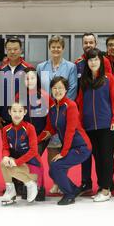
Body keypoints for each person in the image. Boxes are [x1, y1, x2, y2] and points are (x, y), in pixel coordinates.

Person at [38, 76, 92, 205]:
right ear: (51, 90)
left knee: (56, 166)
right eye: (55, 88)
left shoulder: (71, 105)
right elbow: (50, 129)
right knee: (53, 169)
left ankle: (69, 195)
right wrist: (36, 141)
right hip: (70, 146)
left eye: (61, 88)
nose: (57, 91)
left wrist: (63, 152)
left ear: (66, 90)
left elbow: (70, 131)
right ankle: (73, 189)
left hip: (81, 147)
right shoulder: (52, 108)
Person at [76, 48, 114, 202]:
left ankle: (106, 189)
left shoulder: (109, 78)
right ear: (87, 63)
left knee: (106, 157)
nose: (93, 62)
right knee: (96, 156)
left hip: (105, 124)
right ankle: (102, 186)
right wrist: (79, 122)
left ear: (101, 61)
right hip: (89, 126)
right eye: (90, 60)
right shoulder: (85, 81)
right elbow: (80, 103)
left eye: (96, 59)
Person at [36, 35, 77, 194]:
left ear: (63, 48)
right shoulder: (41, 67)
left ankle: (62, 181)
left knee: (61, 146)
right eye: (53, 46)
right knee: (52, 148)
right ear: (49, 48)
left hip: (63, 112)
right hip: (45, 112)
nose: (56, 49)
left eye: (58, 47)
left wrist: (61, 106)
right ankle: (55, 182)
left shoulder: (70, 67)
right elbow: (38, 89)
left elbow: (72, 88)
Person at [15, 67, 54, 201]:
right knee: (27, 160)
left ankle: (39, 188)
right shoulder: (19, 96)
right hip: (25, 137)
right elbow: (17, 117)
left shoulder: (43, 95)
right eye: (27, 78)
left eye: (32, 78)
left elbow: (51, 118)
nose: (30, 80)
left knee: (35, 158)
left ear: (36, 80)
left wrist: (44, 134)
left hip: (41, 136)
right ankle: (27, 186)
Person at [0, 102, 43, 205]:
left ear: (25, 112)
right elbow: (5, 148)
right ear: (10, 112)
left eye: (20, 111)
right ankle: (10, 190)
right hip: (20, 166)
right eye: (14, 111)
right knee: (3, 162)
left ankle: (31, 184)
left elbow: (33, 151)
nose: (17, 114)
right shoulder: (6, 129)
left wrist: (16, 162)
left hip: (33, 166)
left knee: (11, 167)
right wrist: (5, 156)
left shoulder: (30, 128)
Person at [0, 37, 32, 127]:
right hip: (5, 117)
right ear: (6, 51)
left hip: (24, 117)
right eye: (9, 49)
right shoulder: (0, 70)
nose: (12, 52)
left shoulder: (29, 69)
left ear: (21, 50)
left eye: (15, 49)